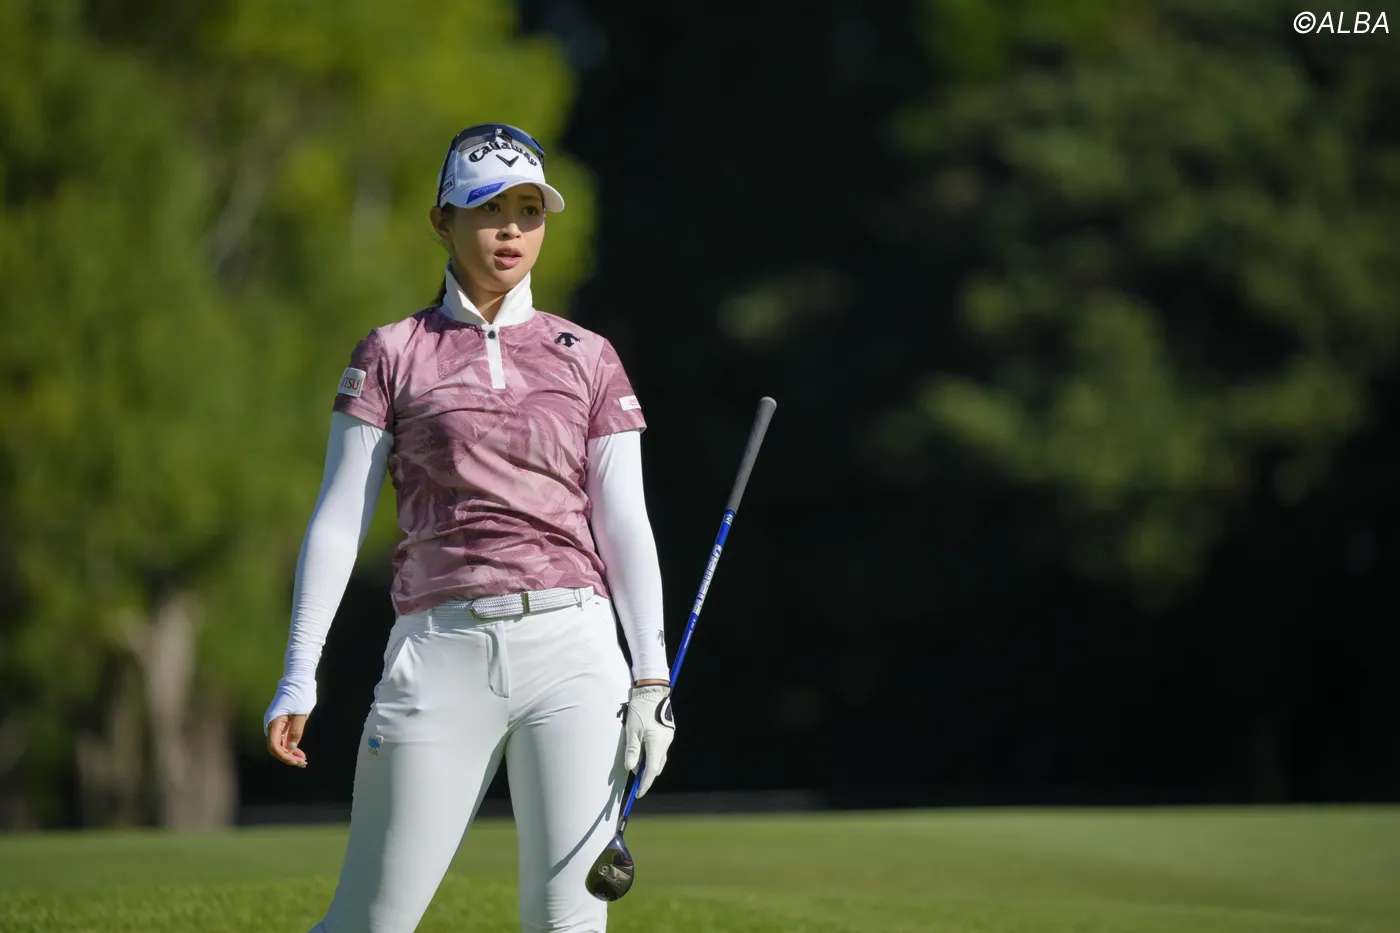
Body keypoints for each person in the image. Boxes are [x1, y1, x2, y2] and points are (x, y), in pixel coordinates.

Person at [262, 123, 675, 933]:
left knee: (568, 923)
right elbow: (339, 518)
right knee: (369, 922)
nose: (511, 229)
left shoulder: (588, 356)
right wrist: (299, 671)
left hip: (575, 652)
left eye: (529, 210)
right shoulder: (391, 353)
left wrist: (651, 679)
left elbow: (625, 522)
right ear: (442, 221)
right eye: (488, 209)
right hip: (438, 647)